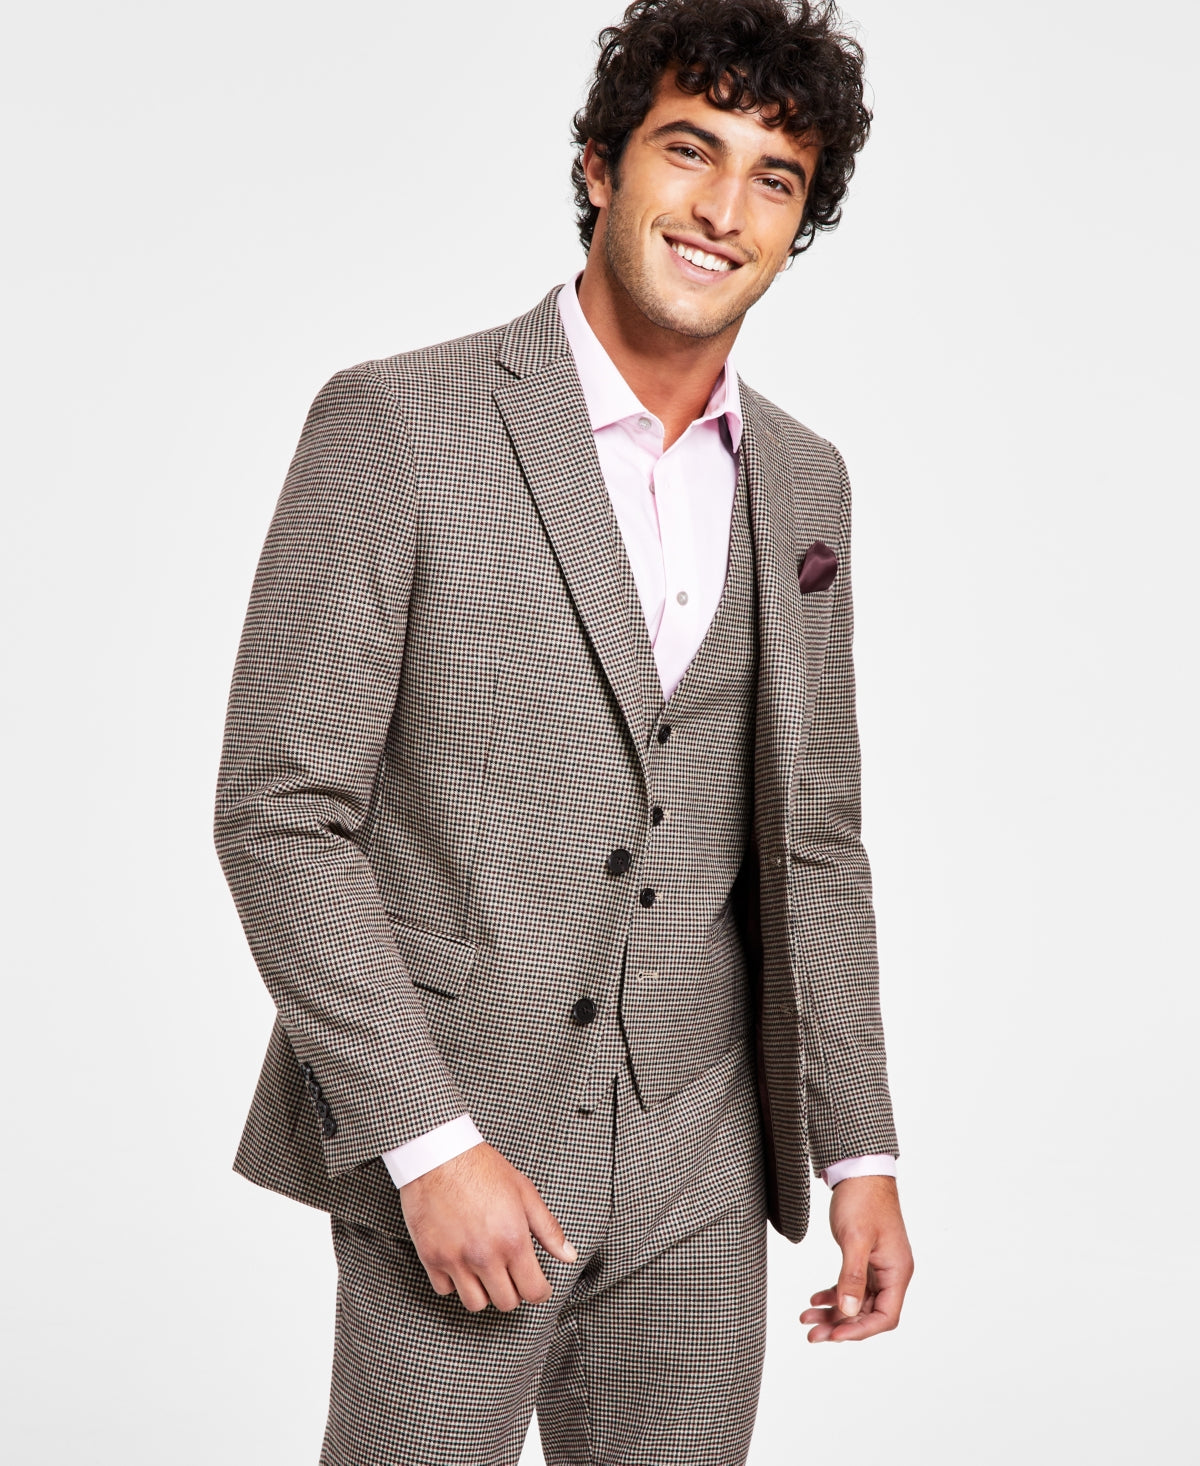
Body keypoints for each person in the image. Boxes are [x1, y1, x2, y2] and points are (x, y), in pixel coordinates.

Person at [215, 1, 914, 1460]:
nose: (722, 210)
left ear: (799, 224)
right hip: (460, 1136)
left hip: (700, 1154)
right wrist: (426, 1142)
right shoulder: (399, 423)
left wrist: (860, 1147)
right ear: (601, 165)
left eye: (773, 178)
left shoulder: (807, 481)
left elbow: (814, 837)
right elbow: (281, 812)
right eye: (689, 150)